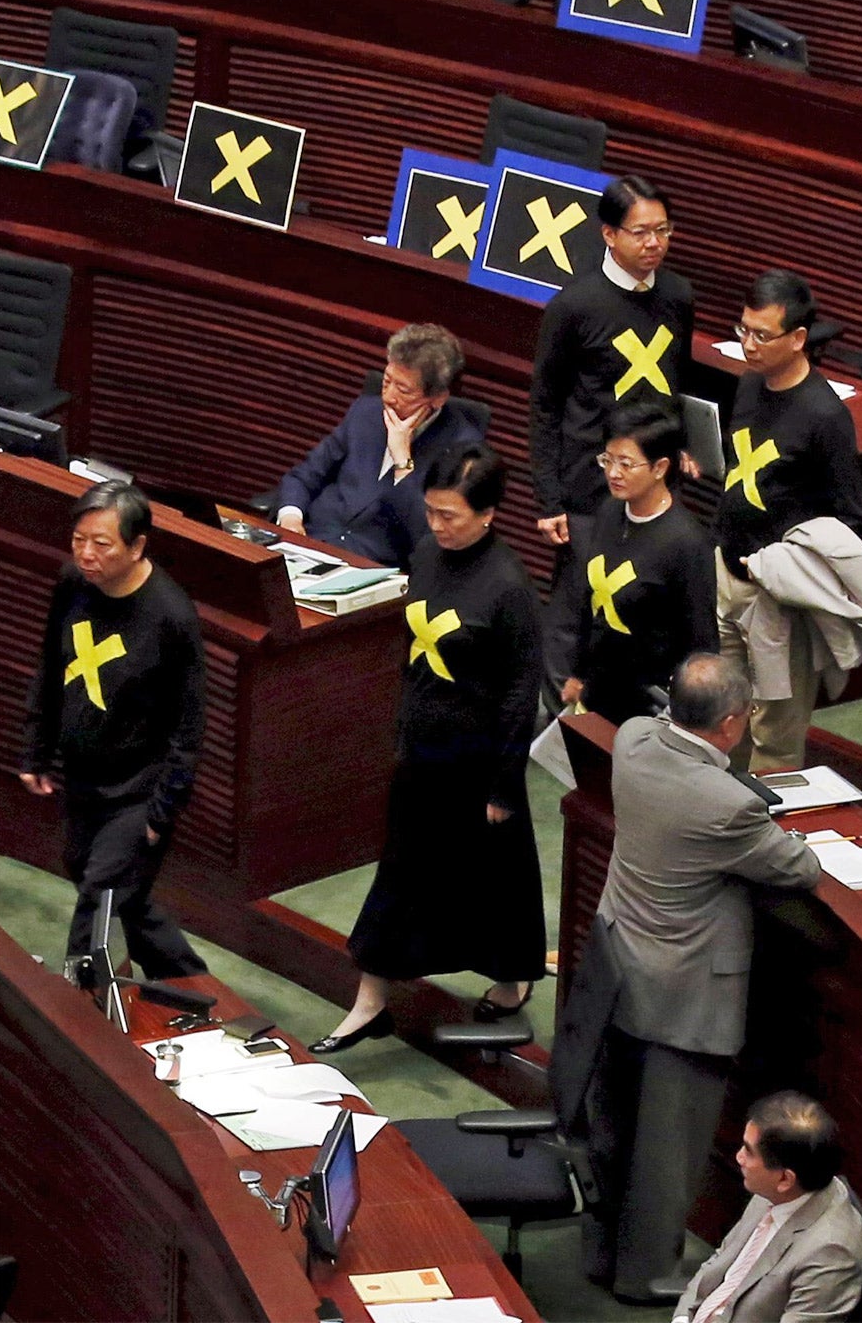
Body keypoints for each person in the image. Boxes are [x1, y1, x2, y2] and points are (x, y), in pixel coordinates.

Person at [577, 653, 821, 1303]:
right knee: (668, 1147)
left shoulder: (632, 742)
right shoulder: (726, 803)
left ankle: (601, 1254)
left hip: (617, 970)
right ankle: (649, 1275)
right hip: (683, 994)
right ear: (735, 721)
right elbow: (800, 869)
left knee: (614, 1129)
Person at [313, 445, 546, 1053]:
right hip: (423, 747)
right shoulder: (427, 556)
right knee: (402, 871)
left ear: (489, 514)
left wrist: (503, 783)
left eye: (451, 516)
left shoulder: (510, 588)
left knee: (495, 878)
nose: (437, 525)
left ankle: (513, 977)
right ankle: (370, 1002)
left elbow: (521, 694)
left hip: (480, 759)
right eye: (432, 512)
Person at [20, 481, 205, 979]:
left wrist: (161, 811)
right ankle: (190, 982)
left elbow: (188, 729)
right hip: (82, 775)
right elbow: (50, 666)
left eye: (101, 544)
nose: (86, 554)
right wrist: (35, 750)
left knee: (99, 897)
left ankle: (80, 1009)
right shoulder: (72, 582)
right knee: (117, 889)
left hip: (139, 787)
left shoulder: (170, 614)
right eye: (78, 540)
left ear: (137, 545)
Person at [528, 174, 696, 684]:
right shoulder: (573, 306)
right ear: (609, 235)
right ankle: (561, 716)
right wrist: (549, 497)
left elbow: (676, 381)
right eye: (641, 232)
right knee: (579, 602)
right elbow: (545, 406)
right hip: (588, 480)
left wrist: (682, 443)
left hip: (655, 478)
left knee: (644, 601)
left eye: (664, 230)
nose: (654, 244)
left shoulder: (678, 295)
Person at [713, 269, 862, 771]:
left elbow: (852, 518)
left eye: (762, 335)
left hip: (777, 600)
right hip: (727, 578)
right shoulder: (747, 385)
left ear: (799, 338)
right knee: (722, 721)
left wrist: (786, 563)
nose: (748, 344)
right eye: (743, 330)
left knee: (774, 740)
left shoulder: (825, 417)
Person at [274, 324, 488, 568]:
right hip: (309, 542)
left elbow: (430, 538)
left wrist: (402, 462)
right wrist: (291, 517)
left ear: (437, 398)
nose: (388, 396)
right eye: (387, 381)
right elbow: (305, 475)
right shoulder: (366, 411)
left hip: (371, 568)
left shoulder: (463, 448)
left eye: (403, 390)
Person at [562, 402, 716, 725]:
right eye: (608, 460)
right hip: (600, 689)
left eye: (626, 464)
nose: (613, 473)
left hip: (651, 707)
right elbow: (590, 604)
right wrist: (579, 672)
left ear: (660, 468)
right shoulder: (609, 511)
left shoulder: (687, 543)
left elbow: (701, 641)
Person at [674, 1092, 862, 1323]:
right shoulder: (774, 1190)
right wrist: (682, 1318)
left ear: (785, 1179)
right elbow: (720, 1260)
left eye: (748, 1151)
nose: (738, 1157)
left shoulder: (831, 1252)